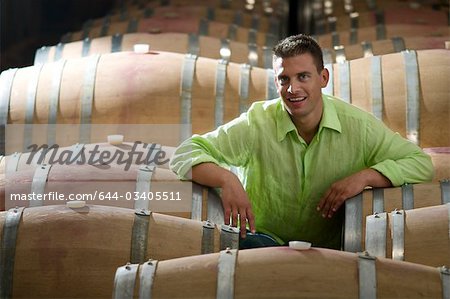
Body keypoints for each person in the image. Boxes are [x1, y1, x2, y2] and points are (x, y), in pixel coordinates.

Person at [169, 34, 434, 250]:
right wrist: (226, 179)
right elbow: (184, 153)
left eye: (303, 77)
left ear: (323, 78)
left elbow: (421, 163)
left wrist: (365, 177)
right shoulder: (257, 122)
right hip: (262, 245)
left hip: (332, 255)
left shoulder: (359, 126)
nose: (292, 89)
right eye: (284, 79)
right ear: (276, 81)